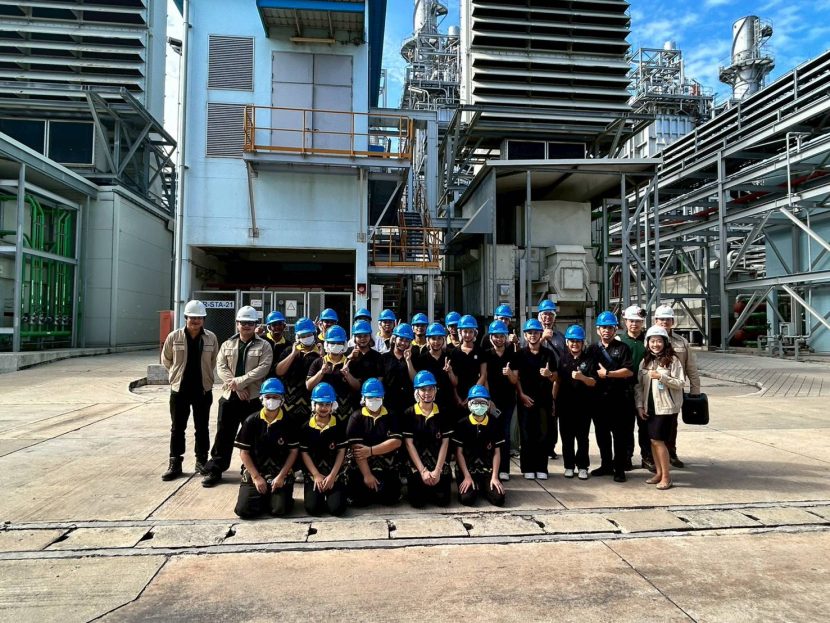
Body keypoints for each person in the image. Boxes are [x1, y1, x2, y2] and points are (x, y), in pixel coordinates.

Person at [202, 305, 273, 487]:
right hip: (230, 397)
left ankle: (250, 469)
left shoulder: (264, 346)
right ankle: (216, 468)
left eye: (250, 322)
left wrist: (239, 382)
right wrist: (236, 387)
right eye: (243, 322)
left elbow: (263, 368)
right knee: (224, 434)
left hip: (253, 398)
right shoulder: (227, 344)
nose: (246, 326)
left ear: (256, 325)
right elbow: (221, 367)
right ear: (237, 324)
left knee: (254, 436)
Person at [160, 299, 218, 480]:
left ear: (203, 319)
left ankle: (201, 461)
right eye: (192, 317)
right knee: (177, 428)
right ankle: (175, 463)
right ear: (185, 318)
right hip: (180, 391)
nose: (196, 321)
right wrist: (176, 375)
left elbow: (213, 360)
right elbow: (166, 359)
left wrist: (205, 376)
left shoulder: (211, 338)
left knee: (202, 428)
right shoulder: (174, 337)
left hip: (203, 390)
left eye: (199, 318)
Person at [232, 377, 298, 518]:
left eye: (275, 397)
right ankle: (261, 495)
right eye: (268, 397)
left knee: (279, 509)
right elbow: (244, 453)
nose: (271, 400)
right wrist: (256, 477)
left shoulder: (289, 422)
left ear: (282, 399)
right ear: (261, 398)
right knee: (243, 510)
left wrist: (281, 476)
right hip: (256, 471)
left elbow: (293, 452)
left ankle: (274, 496)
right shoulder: (251, 421)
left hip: (279, 472)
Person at [635, 326, 686, 490]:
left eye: (659, 341)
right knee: (652, 441)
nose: (655, 344)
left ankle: (666, 477)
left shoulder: (673, 360)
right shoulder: (645, 361)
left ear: (665, 342)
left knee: (658, 441)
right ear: (647, 343)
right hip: (649, 407)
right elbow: (639, 386)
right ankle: (658, 473)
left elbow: (680, 383)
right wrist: (640, 405)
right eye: (652, 341)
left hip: (665, 408)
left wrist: (662, 377)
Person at [586, 311, 634, 483]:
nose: (606, 331)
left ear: (615, 329)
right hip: (598, 401)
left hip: (619, 400)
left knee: (619, 436)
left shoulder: (623, 348)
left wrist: (608, 374)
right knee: (602, 435)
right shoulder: (592, 349)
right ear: (598, 330)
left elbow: (629, 371)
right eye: (603, 327)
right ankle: (606, 464)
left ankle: (619, 469)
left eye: (610, 328)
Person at [654, 304, 701, 468]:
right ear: (655, 320)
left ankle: (671, 452)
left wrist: (695, 390)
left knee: (672, 423)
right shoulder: (649, 339)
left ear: (673, 321)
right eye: (661, 319)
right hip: (654, 390)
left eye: (668, 319)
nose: (664, 322)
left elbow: (691, 367)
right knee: (653, 424)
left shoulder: (682, 342)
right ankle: (652, 456)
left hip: (674, 389)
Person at [346, 378, 403, 506]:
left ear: (383, 397)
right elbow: (357, 449)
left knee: (391, 499)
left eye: (377, 397)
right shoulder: (356, 417)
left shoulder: (391, 415)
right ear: (363, 398)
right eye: (370, 398)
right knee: (360, 502)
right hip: (363, 467)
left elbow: (396, 442)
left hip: (387, 466)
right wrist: (367, 475)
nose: (374, 401)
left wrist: (370, 451)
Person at [402, 371, 453, 508]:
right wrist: (423, 471)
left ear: (435, 390)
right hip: (418, 466)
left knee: (443, 501)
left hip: (438, 464)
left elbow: (445, 443)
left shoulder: (443, 412)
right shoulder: (409, 413)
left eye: (430, 389)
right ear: (417, 392)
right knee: (418, 502)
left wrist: (437, 471)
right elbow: (409, 444)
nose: (427, 393)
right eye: (423, 389)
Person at [515, 318, 557, 480]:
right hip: (525, 400)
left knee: (543, 434)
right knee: (526, 435)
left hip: (544, 400)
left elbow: (556, 377)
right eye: (529, 333)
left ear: (541, 334)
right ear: (525, 335)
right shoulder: (520, 355)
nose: (533, 335)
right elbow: (516, 378)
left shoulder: (548, 354)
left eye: (536, 332)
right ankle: (528, 467)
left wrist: (549, 374)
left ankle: (541, 468)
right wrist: (521, 395)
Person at [554, 325, 597, 480]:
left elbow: (593, 382)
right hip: (565, 405)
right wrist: (553, 401)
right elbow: (558, 381)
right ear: (567, 342)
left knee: (582, 438)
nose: (575, 344)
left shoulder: (589, 359)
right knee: (567, 438)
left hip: (584, 406)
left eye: (578, 341)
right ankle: (569, 466)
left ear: (583, 342)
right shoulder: (562, 359)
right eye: (572, 341)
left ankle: (583, 466)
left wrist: (582, 378)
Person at [299, 382, 348, 516]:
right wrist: (315, 475)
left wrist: (332, 476)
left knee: (337, 509)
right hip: (314, 474)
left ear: (333, 405)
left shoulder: (339, 426)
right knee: (313, 509)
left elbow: (341, 452)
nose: (324, 408)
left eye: (327, 404)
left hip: (334, 473)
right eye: (320, 404)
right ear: (313, 405)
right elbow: (304, 453)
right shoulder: (305, 427)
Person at [452, 385, 506, 507]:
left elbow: (497, 453)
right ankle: (475, 486)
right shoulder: (462, 424)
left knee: (498, 499)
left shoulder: (495, 423)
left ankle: (483, 486)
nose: (479, 405)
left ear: (488, 404)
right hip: (467, 470)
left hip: (488, 471)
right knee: (467, 499)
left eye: (483, 402)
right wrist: (466, 476)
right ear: (469, 404)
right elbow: (459, 453)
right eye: (475, 402)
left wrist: (495, 477)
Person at [482, 320, 519, 481]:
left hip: (508, 401)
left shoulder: (512, 354)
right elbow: (484, 378)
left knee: (505, 434)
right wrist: (488, 399)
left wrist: (509, 373)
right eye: (495, 336)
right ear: (491, 337)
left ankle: (504, 469)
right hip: (491, 401)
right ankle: (489, 467)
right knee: (490, 433)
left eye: (501, 336)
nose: (499, 339)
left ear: (506, 337)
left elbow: (515, 380)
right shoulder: (486, 354)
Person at [619, 305, 651, 471]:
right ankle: (626, 457)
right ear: (625, 322)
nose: (634, 324)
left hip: (645, 389)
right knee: (626, 426)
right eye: (631, 321)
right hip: (625, 389)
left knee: (645, 425)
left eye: (638, 321)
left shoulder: (649, 341)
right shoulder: (619, 341)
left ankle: (647, 457)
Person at [275, 317, 321, 427]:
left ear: (314, 334)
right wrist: (293, 354)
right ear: (297, 337)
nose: (306, 338)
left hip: (311, 405)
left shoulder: (320, 353)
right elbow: (279, 371)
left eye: (309, 335)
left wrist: (321, 356)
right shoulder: (289, 350)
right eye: (303, 336)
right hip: (289, 406)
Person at [306, 325, 359, 419]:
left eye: (339, 343)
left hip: (345, 412)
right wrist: (321, 372)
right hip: (323, 411)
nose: (335, 345)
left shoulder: (350, 363)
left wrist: (348, 375)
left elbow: (358, 387)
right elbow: (309, 386)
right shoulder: (318, 362)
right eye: (332, 343)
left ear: (344, 344)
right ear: (326, 344)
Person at [413, 322, 459, 416]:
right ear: (428, 340)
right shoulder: (421, 359)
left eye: (439, 338)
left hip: (448, 402)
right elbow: (416, 382)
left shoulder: (450, 357)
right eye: (433, 338)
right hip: (428, 403)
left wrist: (450, 371)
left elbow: (455, 383)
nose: (436, 342)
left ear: (443, 340)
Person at [448, 315, 487, 407]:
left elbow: (483, 375)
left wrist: (473, 395)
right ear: (460, 332)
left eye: (470, 331)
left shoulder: (480, 351)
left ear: (475, 333)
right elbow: (454, 381)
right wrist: (457, 396)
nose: (468, 335)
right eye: (465, 331)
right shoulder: (454, 353)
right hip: (459, 397)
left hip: (477, 395)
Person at [380, 323, 417, 416]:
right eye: (401, 339)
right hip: (388, 404)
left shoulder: (415, 358)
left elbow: (415, 380)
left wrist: (408, 360)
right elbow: (380, 380)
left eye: (407, 340)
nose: (403, 343)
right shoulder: (384, 358)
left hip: (408, 404)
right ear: (394, 339)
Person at [345, 319, 384, 406]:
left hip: (371, 397)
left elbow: (380, 378)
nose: (362, 339)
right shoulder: (347, 352)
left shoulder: (377, 356)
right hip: (350, 397)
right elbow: (341, 371)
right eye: (359, 336)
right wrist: (350, 358)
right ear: (354, 338)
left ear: (370, 336)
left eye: (365, 336)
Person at [261, 310, 290, 377]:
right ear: (269, 327)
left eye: (280, 324)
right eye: (274, 324)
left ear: (284, 326)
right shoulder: (261, 340)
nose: (277, 327)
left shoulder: (288, 345)